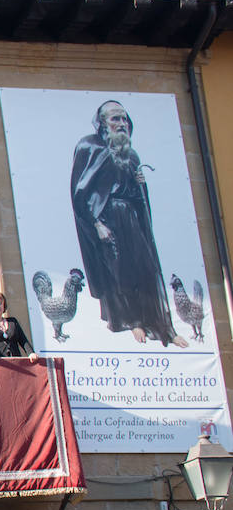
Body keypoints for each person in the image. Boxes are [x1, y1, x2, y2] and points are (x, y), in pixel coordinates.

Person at [70, 100, 187, 347]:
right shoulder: (89, 147)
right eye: (115, 119)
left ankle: (163, 326)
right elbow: (81, 191)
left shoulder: (130, 154)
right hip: (107, 219)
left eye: (124, 119)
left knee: (145, 268)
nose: (121, 124)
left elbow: (136, 196)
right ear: (102, 123)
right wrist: (96, 222)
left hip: (131, 220)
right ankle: (131, 321)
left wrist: (140, 183)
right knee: (118, 270)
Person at [0, 291, 40, 362]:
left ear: (4, 306)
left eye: (0, 303)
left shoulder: (12, 321)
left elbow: (23, 340)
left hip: (16, 363)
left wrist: (31, 353)